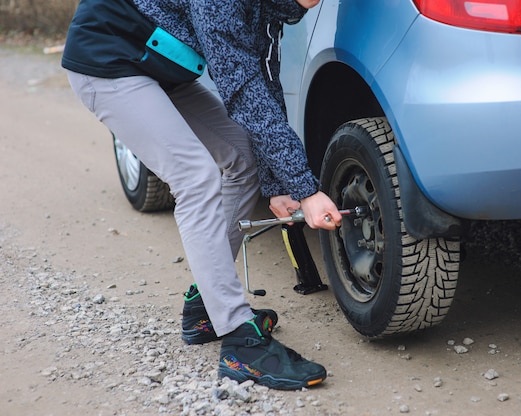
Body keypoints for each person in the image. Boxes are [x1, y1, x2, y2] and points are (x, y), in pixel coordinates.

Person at [61, 0, 342, 390]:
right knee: (195, 177)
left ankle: (204, 308)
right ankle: (239, 342)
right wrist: (306, 189)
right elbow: (240, 86)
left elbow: (263, 81)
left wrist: (278, 187)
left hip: (157, 65)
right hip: (111, 60)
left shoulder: (273, 8)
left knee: (242, 156)